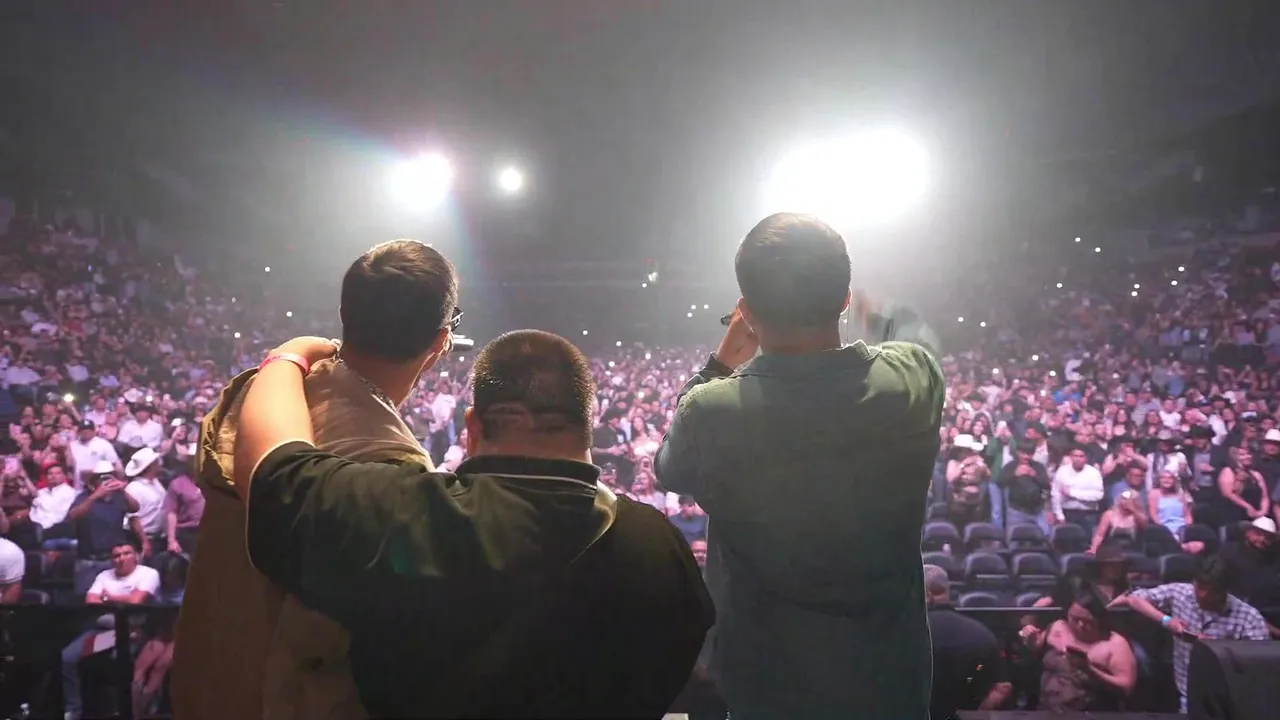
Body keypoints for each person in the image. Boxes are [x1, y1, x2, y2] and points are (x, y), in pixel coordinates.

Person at [233, 331, 712, 718]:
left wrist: (287, 358)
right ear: (588, 423)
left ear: (472, 425)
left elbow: (274, 473)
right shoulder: (661, 547)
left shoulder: (406, 515)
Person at [654, 213, 944, 720]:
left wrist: (719, 365)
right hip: (889, 681)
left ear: (746, 311)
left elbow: (669, 469)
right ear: (845, 298)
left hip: (766, 685)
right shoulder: (911, 378)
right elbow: (911, 338)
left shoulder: (713, 408)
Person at [174, 239, 460, 720]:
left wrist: (288, 354)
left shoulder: (266, 391)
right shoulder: (394, 469)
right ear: (440, 343)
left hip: (210, 683)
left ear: (344, 314)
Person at [1111, 554, 1270, 712]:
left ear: (1225, 590)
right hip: (1188, 693)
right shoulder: (1180, 592)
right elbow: (1134, 599)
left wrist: (1216, 648)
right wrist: (1168, 621)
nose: (1203, 595)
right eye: (1200, 587)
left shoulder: (1249, 617)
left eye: (1211, 591)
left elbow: (1261, 669)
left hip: (1231, 698)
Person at [61, 541, 160, 720]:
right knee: (67, 657)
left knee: (119, 660)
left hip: (133, 632)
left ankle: (129, 709)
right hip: (105, 633)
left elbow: (137, 601)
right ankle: (73, 710)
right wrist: (123, 598)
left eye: (126, 553)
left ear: (136, 556)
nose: (121, 558)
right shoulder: (104, 576)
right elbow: (91, 600)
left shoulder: (148, 573)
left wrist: (108, 597)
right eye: (116, 555)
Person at [1022, 581, 1137, 712]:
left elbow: (1125, 687)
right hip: (1047, 707)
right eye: (1075, 619)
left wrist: (1089, 670)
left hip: (1091, 712)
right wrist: (1030, 639)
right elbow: (1036, 648)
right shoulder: (1058, 627)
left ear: (1099, 620)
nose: (1080, 625)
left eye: (1087, 621)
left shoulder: (1115, 644)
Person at [923, 565, 1011, 718]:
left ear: (926, 594)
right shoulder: (983, 634)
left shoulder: (903, 634)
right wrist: (976, 715)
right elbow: (1002, 687)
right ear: (947, 591)